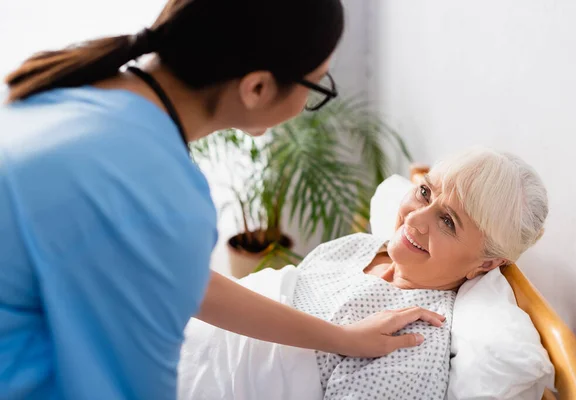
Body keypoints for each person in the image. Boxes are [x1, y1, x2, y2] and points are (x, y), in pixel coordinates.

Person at [0, 1, 442, 399]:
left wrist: (342, 337)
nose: (311, 97)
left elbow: (191, 284)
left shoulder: (79, 90)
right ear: (257, 88)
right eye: (315, 83)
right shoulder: (156, 190)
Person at [177, 147, 549, 400]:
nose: (414, 219)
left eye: (448, 221)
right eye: (424, 192)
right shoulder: (361, 247)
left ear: (485, 263)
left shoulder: (415, 344)